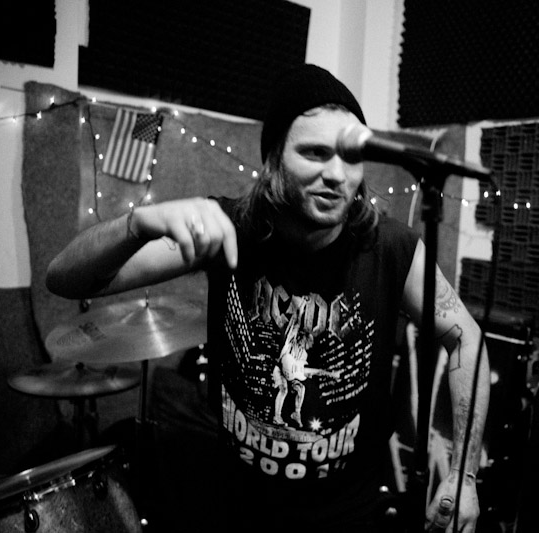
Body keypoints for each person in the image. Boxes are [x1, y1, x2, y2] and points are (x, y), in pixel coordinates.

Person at [46, 64, 490, 532]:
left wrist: (463, 475)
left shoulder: (392, 247)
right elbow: (67, 280)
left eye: (350, 156)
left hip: (352, 517)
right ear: (274, 159)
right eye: (315, 153)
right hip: (240, 512)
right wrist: (136, 224)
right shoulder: (228, 227)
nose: (336, 174)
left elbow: (467, 337)